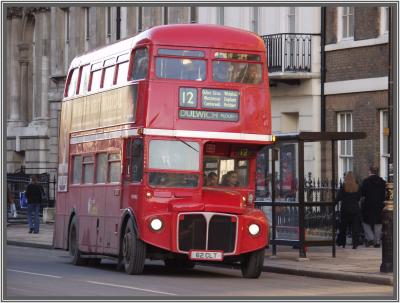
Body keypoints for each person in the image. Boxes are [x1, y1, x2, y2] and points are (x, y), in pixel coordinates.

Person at [361, 166, 386, 248]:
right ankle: (377, 241)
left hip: (368, 205)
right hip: (380, 205)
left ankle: (371, 238)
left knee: (365, 222)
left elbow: (362, 193)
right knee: (378, 223)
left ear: (370, 172)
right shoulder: (383, 182)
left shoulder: (366, 181)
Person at [335, 171, 362, 249]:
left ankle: (342, 243)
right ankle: (355, 244)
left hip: (345, 209)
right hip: (355, 209)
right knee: (355, 228)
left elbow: (338, 198)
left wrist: (334, 203)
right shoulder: (357, 187)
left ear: (346, 178)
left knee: (343, 227)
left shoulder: (343, 187)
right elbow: (358, 198)